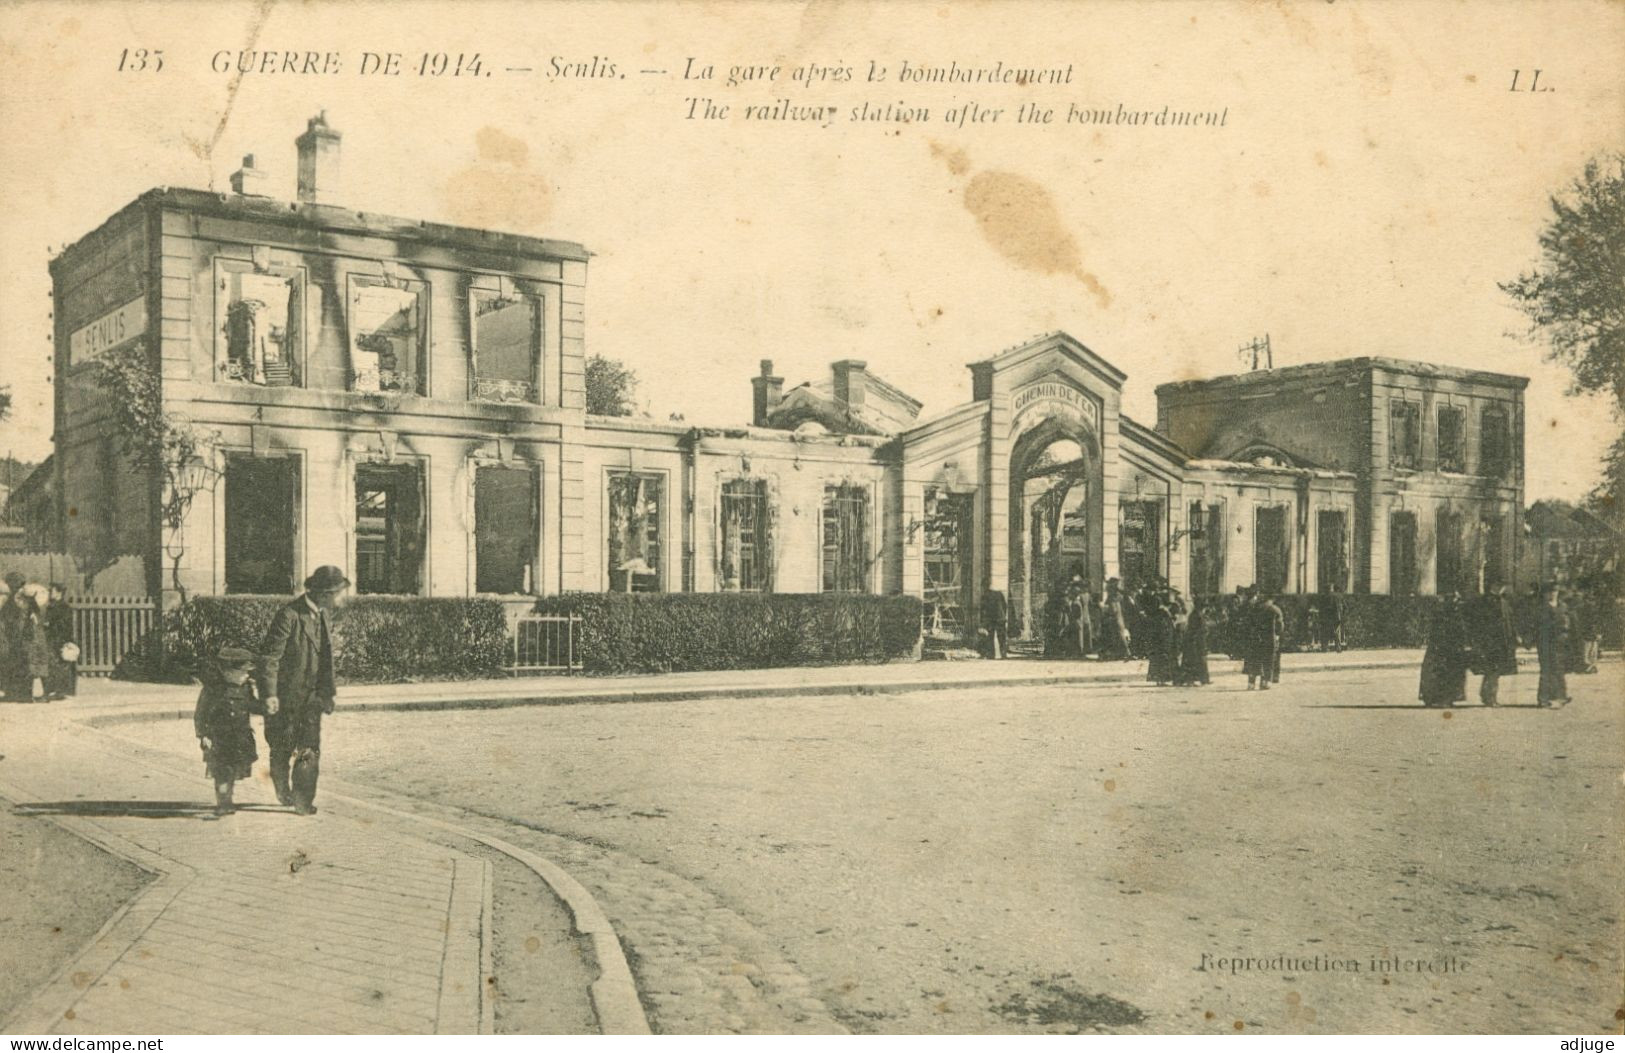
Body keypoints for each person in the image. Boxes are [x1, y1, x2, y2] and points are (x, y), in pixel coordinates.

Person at [259, 565, 349, 815]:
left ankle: (302, 800)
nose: (341, 598)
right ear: (324, 593)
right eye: (338, 593)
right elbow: (269, 658)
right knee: (283, 747)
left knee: (309, 749)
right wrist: (269, 694)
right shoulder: (289, 615)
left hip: (312, 699)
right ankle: (281, 788)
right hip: (287, 699)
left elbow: (326, 661)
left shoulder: (323, 615)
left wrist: (328, 695)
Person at [194, 646, 262, 817]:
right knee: (222, 772)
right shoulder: (213, 690)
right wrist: (203, 735)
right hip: (220, 739)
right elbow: (201, 714)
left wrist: (265, 707)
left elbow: (252, 705)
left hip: (240, 737)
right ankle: (224, 802)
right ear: (228, 672)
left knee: (232, 771)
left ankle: (227, 798)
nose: (247, 675)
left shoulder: (245, 688)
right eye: (244, 672)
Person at [1467, 586, 1518, 706]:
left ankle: (1487, 695)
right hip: (1493, 643)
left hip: (1502, 642)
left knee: (1494, 671)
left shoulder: (1503, 602)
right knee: (1493, 670)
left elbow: (1509, 622)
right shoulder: (1488, 602)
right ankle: (1490, 697)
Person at [1419, 593, 1469, 707]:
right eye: (1455, 599)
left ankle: (1442, 698)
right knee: (1445, 672)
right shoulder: (1446, 613)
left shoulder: (1449, 612)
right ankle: (1442, 699)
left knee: (1447, 672)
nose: (1458, 601)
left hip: (1448, 647)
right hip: (1445, 647)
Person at [1534, 583, 1571, 708]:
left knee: (1559, 669)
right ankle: (1543, 698)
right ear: (1544, 594)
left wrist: (1566, 632)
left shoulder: (1563, 606)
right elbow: (1538, 625)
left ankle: (1561, 696)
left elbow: (1567, 621)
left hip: (1560, 642)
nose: (1552, 594)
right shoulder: (1540, 607)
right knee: (1546, 670)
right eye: (1549, 592)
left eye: (1555, 591)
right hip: (1545, 642)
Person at [42, 583, 77, 700]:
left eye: (52, 591)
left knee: (59, 666)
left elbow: (65, 624)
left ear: (59, 593)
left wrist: (50, 624)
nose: (50, 593)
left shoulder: (64, 607)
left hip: (59, 639)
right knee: (52, 666)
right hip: (51, 639)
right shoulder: (51, 606)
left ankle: (59, 691)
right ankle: (52, 691)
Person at [1181, 600, 1212, 686]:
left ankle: (1202, 679)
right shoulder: (1196, 615)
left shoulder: (1197, 614)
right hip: (1194, 641)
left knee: (1199, 660)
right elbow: (1197, 629)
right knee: (1194, 660)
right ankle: (1190, 680)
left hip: (1198, 641)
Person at [1100, 579, 1132, 660]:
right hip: (1119, 617)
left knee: (1117, 635)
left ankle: (1125, 652)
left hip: (1114, 618)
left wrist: (1105, 610)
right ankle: (1122, 653)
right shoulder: (1119, 596)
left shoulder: (1112, 597)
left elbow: (1113, 609)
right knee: (1118, 635)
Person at [980, 587, 1009, 660]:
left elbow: (983, 608)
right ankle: (1003, 654)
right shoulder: (999, 593)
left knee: (990, 637)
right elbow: (1005, 606)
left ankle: (991, 654)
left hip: (991, 618)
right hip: (1000, 618)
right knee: (1002, 637)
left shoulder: (985, 596)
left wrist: (984, 620)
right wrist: (1003, 615)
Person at [1321, 585, 1346, 653]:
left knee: (1326, 631)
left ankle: (1325, 648)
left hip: (1329, 616)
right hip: (1338, 617)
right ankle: (1338, 647)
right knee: (1336, 632)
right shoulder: (1340, 596)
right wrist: (1342, 614)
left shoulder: (1327, 596)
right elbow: (1345, 606)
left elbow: (1326, 607)